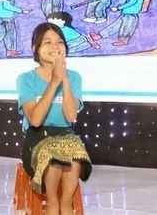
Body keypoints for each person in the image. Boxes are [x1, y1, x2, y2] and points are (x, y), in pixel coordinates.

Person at [17, 23, 91, 215]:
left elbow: (70, 116)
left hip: (65, 135)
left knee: (75, 152)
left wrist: (64, 80)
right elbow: (35, 120)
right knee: (53, 154)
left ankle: (65, 204)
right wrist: (54, 82)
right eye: (47, 42)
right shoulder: (26, 79)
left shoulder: (74, 77)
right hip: (37, 138)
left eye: (59, 42)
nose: (55, 47)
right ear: (36, 49)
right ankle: (52, 204)